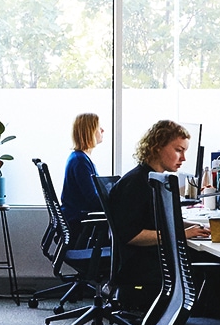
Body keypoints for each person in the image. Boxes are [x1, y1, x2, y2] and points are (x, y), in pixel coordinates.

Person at [105, 119, 209, 312]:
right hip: (142, 265)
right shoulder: (137, 184)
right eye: (179, 150)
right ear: (157, 147)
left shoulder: (155, 180)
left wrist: (193, 226)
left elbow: (158, 221)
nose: (183, 158)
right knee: (218, 272)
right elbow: (132, 236)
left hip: (153, 258)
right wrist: (183, 234)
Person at [61, 113, 103, 228]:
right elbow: (92, 199)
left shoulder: (79, 158)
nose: (102, 130)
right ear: (90, 132)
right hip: (79, 222)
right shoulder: (80, 161)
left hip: (75, 217)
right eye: (99, 128)